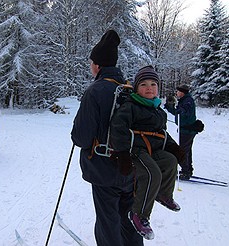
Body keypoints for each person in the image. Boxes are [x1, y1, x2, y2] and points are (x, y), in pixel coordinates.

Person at [71, 30, 143, 246]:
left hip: (104, 169)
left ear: (98, 65)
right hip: (130, 168)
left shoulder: (95, 90)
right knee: (129, 219)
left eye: (92, 62)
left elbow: (81, 138)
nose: (90, 66)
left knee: (107, 221)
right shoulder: (131, 89)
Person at [110, 65, 185, 240]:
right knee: (152, 173)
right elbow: (118, 128)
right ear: (136, 88)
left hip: (153, 149)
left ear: (158, 88)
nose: (149, 88)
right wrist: (122, 154)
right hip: (134, 149)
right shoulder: (131, 106)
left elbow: (162, 135)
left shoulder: (158, 110)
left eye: (153, 84)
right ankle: (139, 215)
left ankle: (163, 194)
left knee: (170, 161)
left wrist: (174, 148)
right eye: (144, 84)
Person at [164, 84, 197, 180]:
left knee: (183, 150)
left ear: (182, 92)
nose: (176, 93)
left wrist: (177, 109)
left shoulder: (188, 101)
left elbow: (183, 112)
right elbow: (177, 113)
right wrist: (170, 107)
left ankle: (185, 171)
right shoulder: (184, 100)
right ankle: (188, 169)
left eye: (178, 91)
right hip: (185, 129)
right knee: (187, 150)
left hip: (188, 129)